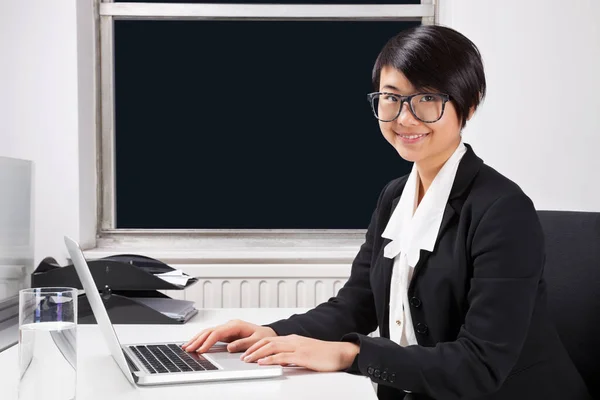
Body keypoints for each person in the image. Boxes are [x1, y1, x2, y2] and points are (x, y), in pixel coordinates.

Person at [182, 25, 591, 400]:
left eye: (428, 98)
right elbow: (354, 305)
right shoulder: (394, 197)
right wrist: (269, 332)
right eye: (392, 98)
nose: (405, 117)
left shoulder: (503, 211)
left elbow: (480, 365)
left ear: (468, 102)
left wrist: (350, 355)